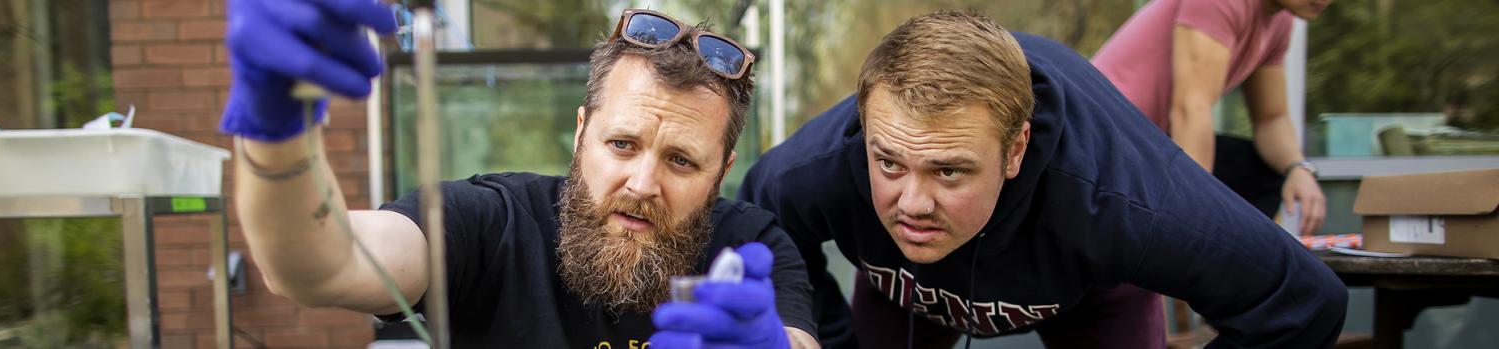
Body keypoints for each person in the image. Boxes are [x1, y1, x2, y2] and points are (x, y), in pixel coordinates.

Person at [219, 1, 817, 347]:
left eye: (681, 160)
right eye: (622, 143)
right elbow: (317, 264)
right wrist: (275, 127)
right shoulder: (495, 223)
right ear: (581, 133)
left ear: (723, 172)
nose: (642, 183)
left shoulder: (752, 246)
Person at [739, 10, 1347, 349]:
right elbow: (763, 226)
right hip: (904, 287)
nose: (913, 201)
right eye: (890, 163)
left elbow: (1303, 301)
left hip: (1085, 283)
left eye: (950, 169)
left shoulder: (1121, 197)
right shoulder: (816, 169)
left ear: (1014, 150)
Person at [1092, 0, 1330, 234]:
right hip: (1099, 141)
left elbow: (1271, 119)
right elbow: (1190, 108)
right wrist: (1195, 210)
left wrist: (1298, 168)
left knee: (1262, 174)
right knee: (1199, 207)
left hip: (1149, 143)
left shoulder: (1279, 21)